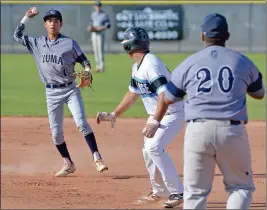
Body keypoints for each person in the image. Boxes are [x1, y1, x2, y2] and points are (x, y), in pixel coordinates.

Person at [144, 13, 265, 209]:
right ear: (227, 36)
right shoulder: (241, 61)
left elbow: (168, 97)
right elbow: (259, 93)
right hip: (232, 130)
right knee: (240, 188)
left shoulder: (189, 63)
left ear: (202, 36)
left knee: (194, 193)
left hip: (197, 131)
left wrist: (156, 119)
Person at [13, 7, 108, 177]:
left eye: (56, 21)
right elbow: (17, 36)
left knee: (82, 123)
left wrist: (87, 71)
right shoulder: (37, 43)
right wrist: (26, 17)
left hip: (71, 90)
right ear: (45, 24)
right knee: (56, 135)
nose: (52, 24)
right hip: (51, 93)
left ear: (61, 24)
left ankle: (97, 157)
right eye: (49, 21)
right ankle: (68, 163)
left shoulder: (70, 43)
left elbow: (85, 62)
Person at [96, 27, 184, 208]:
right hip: (161, 114)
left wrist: (155, 120)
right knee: (148, 150)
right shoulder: (138, 66)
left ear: (129, 46)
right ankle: (159, 191)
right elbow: (132, 93)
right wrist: (114, 114)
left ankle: (177, 192)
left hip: (172, 113)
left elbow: (164, 94)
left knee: (153, 148)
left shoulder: (151, 64)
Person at [87, 1, 111, 73]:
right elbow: (90, 23)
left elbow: (108, 25)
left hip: (100, 33)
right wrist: (89, 27)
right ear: (94, 7)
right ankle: (98, 66)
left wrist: (101, 28)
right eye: (96, 6)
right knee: (95, 50)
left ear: (100, 6)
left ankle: (102, 66)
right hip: (94, 33)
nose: (97, 7)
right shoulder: (93, 14)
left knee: (100, 50)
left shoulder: (104, 15)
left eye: (99, 6)